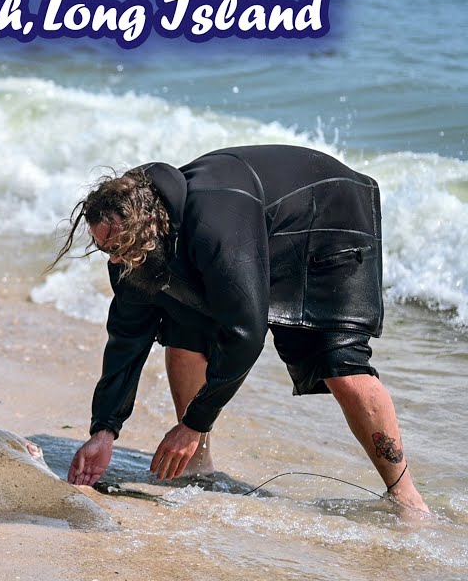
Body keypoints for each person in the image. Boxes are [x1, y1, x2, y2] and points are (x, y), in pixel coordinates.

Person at [53, 144, 429, 515]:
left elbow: (245, 334)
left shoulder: (213, 228)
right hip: (259, 224)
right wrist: (104, 431)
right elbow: (127, 335)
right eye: (105, 249)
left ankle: (406, 495)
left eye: (118, 246)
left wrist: (193, 422)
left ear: (148, 223)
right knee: (184, 331)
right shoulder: (135, 244)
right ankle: (196, 465)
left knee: (340, 364)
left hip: (329, 214)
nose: (115, 258)